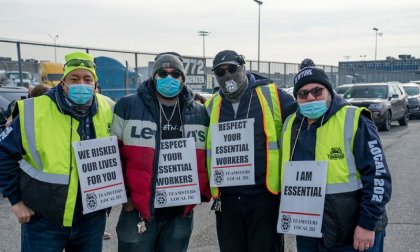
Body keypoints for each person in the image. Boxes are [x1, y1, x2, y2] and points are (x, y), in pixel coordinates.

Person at [0, 51, 114, 252]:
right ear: (63, 82)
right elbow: (4, 153)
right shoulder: (34, 110)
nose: (82, 84)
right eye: (75, 78)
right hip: (44, 219)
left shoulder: (108, 107)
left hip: (91, 220)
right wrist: (15, 201)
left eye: (87, 79)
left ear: (95, 84)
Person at [280, 66, 392, 251]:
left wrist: (367, 223)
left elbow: (378, 175)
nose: (310, 97)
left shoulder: (354, 119)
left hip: (353, 233)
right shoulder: (290, 125)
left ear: (329, 91)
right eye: (303, 93)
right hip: (309, 233)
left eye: (317, 91)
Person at [112, 52, 211, 252]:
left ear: (183, 79)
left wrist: (201, 192)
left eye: (175, 74)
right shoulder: (127, 105)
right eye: (162, 73)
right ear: (153, 76)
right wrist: (125, 197)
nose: (169, 78)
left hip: (180, 212)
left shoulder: (200, 112)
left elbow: (206, 158)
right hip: (138, 208)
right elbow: (114, 155)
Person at [205, 50, 298, 252]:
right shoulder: (212, 104)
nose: (227, 76)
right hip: (227, 200)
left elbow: (302, 121)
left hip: (264, 197)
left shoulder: (271, 94)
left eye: (232, 69)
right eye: (220, 72)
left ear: (243, 68)